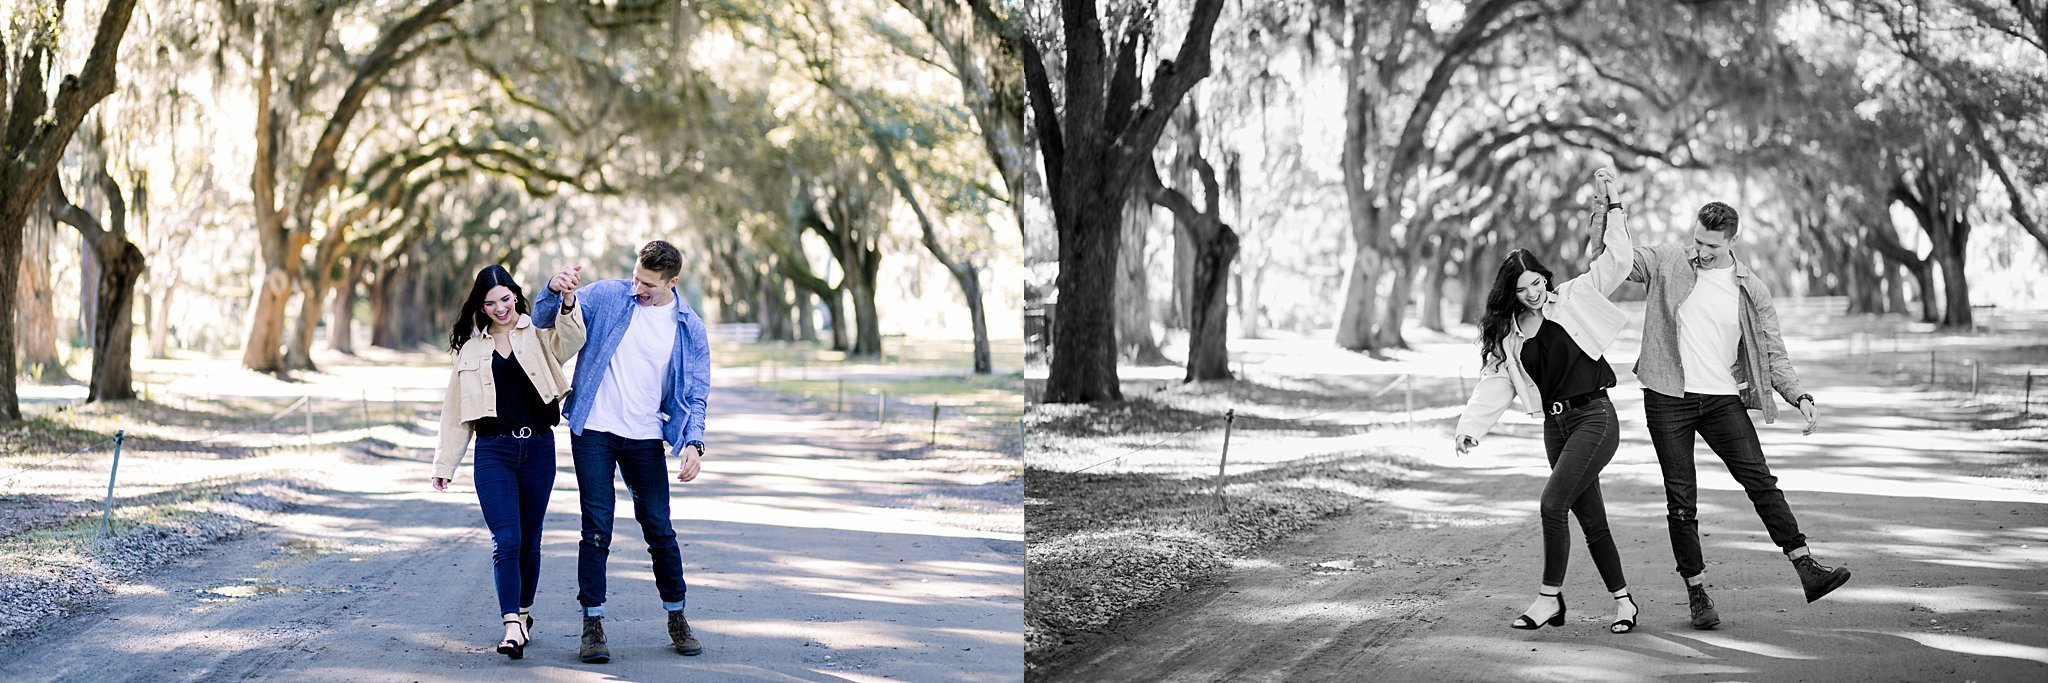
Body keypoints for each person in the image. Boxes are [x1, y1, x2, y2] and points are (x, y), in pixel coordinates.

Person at [1621, 200, 1850, 630]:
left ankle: (1806, 568)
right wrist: (1609, 210)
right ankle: (1697, 594)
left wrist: (1798, 396)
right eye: (1698, 241)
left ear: (1732, 241)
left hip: (1723, 399)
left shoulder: (1751, 288)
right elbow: (1615, 259)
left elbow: (1772, 351)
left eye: (1711, 245)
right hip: (1669, 396)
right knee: (1682, 500)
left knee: (1760, 481)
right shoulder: (1669, 261)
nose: (1702, 251)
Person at [1456, 167, 1640, 634]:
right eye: (1522, 290)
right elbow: (1496, 383)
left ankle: (1549, 599)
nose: (1534, 293)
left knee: (1551, 504)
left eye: (1536, 282)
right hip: (1554, 429)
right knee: (1591, 519)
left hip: (1595, 418)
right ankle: (1625, 603)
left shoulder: (1575, 296)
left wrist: (1615, 203)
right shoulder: (1513, 335)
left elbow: (1617, 260)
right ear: (1511, 295)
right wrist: (1470, 427)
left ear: (1543, 275)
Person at [532, 240, 711, 663]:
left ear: (672, 282)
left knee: (659, 529)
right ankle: (592, 626)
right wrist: (554, 289)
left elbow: (696, 392)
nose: (638, 288)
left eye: (648, 284)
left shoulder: (688, 326)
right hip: (594, 427)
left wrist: (693, 442)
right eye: (635, 277)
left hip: (646, 435)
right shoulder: (610, 294)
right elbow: (544, 319)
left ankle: (677, 617)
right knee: (596, 527)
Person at [431, 264, 586, 660]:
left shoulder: (537, 333)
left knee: (530, 541)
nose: (500, 308)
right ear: (480, 307)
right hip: (493, 451)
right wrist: (444, 466)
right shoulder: (470, 350)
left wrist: (567, 300)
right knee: (507, 539)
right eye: (490, 303)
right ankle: (511, 624)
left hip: (537, 449)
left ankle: (524, 612)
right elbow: (454, 412)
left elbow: (571, 340)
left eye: (505, 299)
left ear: (515, 295)